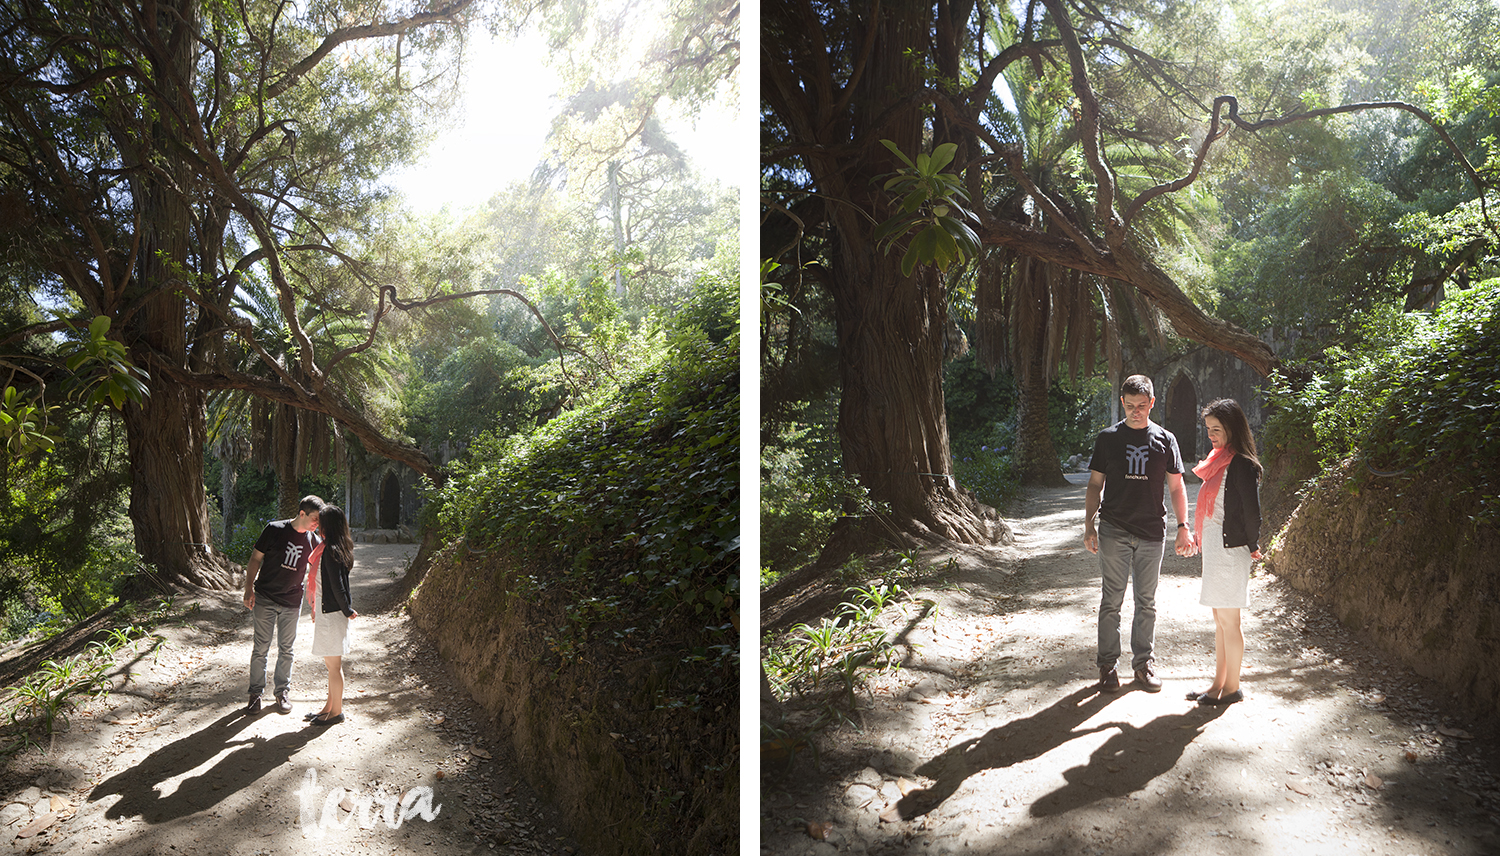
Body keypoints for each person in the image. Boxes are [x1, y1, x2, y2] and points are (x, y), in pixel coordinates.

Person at [1083, 375, 1195, 693]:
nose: (1136, 411)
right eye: (1130, 406)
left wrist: (1183, 527)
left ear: (1152, 403)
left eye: (1142, 406)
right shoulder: (1108, 439)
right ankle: (1107, 666)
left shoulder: (1165, 439)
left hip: (1151, 532)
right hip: (1114, 529)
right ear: (1122, 403)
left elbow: (1176, 486)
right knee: (1111, 601)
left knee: (1146, 602)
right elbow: (1094, 485)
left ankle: (1143, 664)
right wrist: (1089, 524)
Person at [1186, 398, 1263, 707]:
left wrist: (1254, 544)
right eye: (1208, 429)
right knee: (1220, 619)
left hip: (1232, 548)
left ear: (1232, 428)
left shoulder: (1242, 463)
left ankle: (1233, 688)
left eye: (1216, 429)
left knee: (1231, 621)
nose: (1211, 435)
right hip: (1216, 547)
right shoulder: (1218, 460)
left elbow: (1252, 512)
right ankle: (1217, 684)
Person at [243, 495, 324, 714]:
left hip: (291, 602)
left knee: (287, 649)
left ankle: (281, 692)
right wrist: (248, 588)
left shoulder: (313, 540)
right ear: (302, 514)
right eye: (314, 519)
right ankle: (255, 694)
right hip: (265, 597)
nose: (317, 524)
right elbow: (255, 559)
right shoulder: (273, 529)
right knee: (261, 647)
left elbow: (323, 568)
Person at [305, 504, 357, 726]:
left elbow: (337, 586)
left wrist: (347, 610)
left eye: (320, 522)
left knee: (334, 667)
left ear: (328, 526)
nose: (317, 526)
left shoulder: (331, 551)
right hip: (329, 612)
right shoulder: (335, 547)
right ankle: (329, 708)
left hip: (333, 613)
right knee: (331, 666)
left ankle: (337, 712)